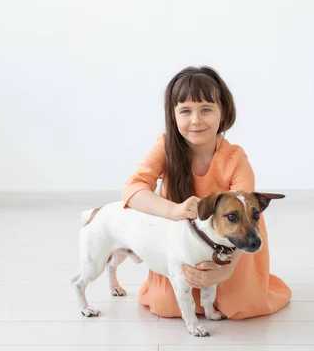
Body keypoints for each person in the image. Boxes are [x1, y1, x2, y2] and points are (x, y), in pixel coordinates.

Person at [122, 66, 291, 320]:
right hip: (180, 248)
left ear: (223, 112)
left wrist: (225, 270)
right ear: (173, 115)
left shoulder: (234, 158)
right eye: (186, 111)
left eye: (206, 110)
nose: (196, 120)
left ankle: (234, 281)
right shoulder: (166, 148)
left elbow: (247, 216)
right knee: (166, 306)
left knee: (239, 306)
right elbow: (133, 190)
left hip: (231, 248)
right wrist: (174, 210)